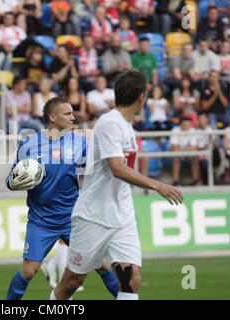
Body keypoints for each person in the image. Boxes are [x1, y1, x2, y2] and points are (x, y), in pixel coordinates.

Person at [51, 70, 183, 301]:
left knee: (130, 278)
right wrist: (157, 186)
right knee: (72, 282)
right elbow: (117, 168)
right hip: (94, 215)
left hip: (122, 214)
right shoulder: (110, 123)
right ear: (142, 97)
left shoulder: (125, 125)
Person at [5, 97, 119, 300]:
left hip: (73, 218)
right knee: (29, 270)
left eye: (72, 113)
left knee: (101, 264)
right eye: (67, 113)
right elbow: (11, 177)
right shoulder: (29, 145)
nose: (73, 117)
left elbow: (99, 167)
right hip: (41, 221)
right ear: (52, 117)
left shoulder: (80, 142)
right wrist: (13, 182)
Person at [170, 116, 200, 186]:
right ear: (181, 125)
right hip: (178, 154)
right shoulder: (175, 130)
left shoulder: (193, 131)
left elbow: (194, 148)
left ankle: (195, 181)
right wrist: (187, 149)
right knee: (176, 157)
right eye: (185, 125)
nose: (186, 127)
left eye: (188, 125)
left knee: (195, 157)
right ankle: (176, 181)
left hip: (188, 154)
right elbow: (174, 148)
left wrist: (181, 149)